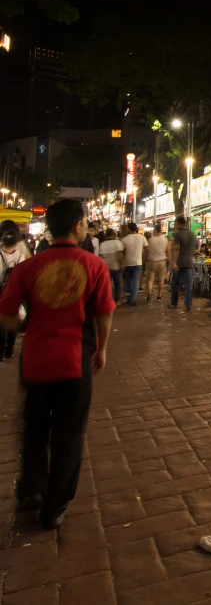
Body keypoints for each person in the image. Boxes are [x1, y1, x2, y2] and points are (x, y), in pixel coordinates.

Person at [0, 198, 114, 529]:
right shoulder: (94, 266)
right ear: (79, 226)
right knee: (68, 434)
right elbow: (104, 314)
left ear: (49, 227)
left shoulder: (28, 267)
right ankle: (56, 505)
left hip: (35, 362)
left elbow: (6, 317)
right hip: (75, 362)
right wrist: (102, 348)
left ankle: (33, 488)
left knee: (34, 428)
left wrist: (28, 327)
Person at [0, 228, 27, 360]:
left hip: (0, 291)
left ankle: (0, 353)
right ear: (16, 243)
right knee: (12, 318)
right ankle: (9, 351)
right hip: (14, 291)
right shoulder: (20, 256)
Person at [170, 216, 197, 311]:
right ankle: (188, 304)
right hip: (189, 262)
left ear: (181, 224)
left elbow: (176, 249)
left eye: (176, 223)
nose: (175, 225)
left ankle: (173, 303)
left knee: (175, 284)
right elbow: (195, 249)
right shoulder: (192, 234)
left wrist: (173, 262)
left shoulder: (178, 235)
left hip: (179, 263)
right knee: (188, 285)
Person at [120, 222, 147, 306]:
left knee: (128, 280)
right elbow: (147, 249)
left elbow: (122, 252)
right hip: (138, 262)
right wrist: (144, 259)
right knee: (135, 281)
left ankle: (129, 296)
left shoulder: (125, 239)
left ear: (129, 229)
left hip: (128, 262)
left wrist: (122, 262)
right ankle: (133, 300)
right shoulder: (142, 237)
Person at [99, 227, 124, 303]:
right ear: (113, 235)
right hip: (115, 267)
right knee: (117, 284)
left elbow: (100, 257)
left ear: (106, 236)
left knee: (107, 284)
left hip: (106, 267)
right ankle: (116, 299)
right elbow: (120, 255)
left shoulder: (102, 244)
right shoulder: (118, 243)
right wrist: (121, 264)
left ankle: (108, 299)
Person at [145, 223, 168, 302]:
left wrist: (145, 260)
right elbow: (167, 251)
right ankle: (159, 296)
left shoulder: (150, 240)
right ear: (161, 230)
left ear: (154, 230)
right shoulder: (165, 239)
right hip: (162, 261)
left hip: (152, 261)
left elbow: (147, 251)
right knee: (161, 279)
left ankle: (149, 292)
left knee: (150, 279)